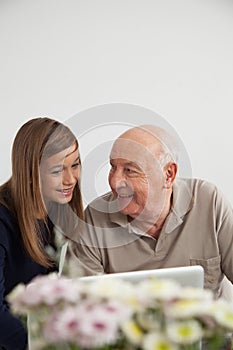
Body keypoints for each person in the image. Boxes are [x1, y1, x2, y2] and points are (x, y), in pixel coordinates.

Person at [70, 124, 233, 301]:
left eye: (130, 170)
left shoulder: (209, 202)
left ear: (168, 174)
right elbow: (83, 307)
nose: (115, 181)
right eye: (113, 167)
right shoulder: (94, 220)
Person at [0, 117, 84, 350]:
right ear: (30, 171)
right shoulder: (3, 221)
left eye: (75, 165)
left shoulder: (59, 211)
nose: (70, 180)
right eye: (57, 170)